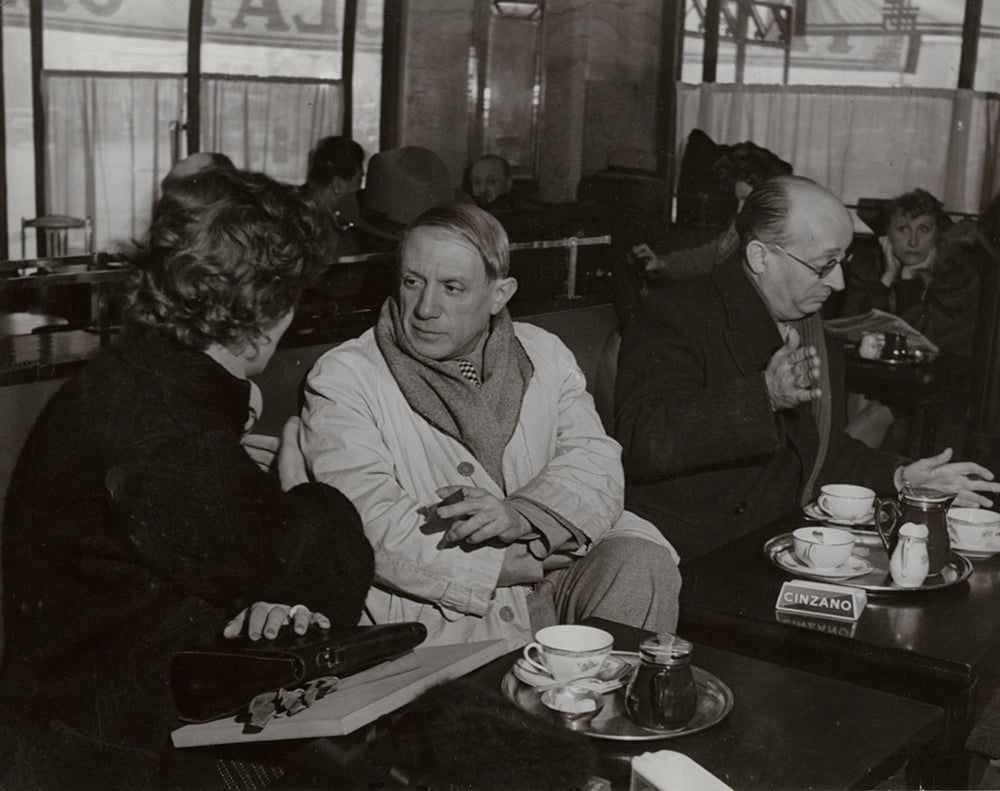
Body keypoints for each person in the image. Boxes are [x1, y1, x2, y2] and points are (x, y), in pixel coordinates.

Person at [0, 168, 374, 788]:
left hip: (59, 715)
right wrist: (304, 485)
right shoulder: (179, 443)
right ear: (270, 312)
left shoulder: (127, 377)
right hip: (111, 757)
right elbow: (309, 573)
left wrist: (224, 434)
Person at [301, 203, 681, 649]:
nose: (425, 307)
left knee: (640, 563)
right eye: (412, 282)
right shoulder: (346, 375)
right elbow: (364, 519)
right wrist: (506, 564)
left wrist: (523, 516)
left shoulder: (542, 352)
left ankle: (603, 709)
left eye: (453, 288)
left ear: (499, 295)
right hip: (449, 609)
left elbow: (595, 461)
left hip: (553, 572)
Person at [615, 175, 1000, 562]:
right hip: (693, 552)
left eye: (841, 261)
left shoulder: (813, 330)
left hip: (779, 541)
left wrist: (903, 477)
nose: (837, 282)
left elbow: (822, 450)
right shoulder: (676, 314)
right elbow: (644, 439)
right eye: (824, 265)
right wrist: (763, 395)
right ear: (760, 257)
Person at [842, 188, 980, 357]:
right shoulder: (868, 266)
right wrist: (885, 280)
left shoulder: (956, 274)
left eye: (924, 229)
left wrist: (908, 282)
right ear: (887, 234)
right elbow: (852, 335)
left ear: (937, 234)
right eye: (903, 229)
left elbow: (927, 343)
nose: (913, 242)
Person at [632, 141, 792, 281]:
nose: (739, 209)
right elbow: (708, 257)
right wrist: (661, 263)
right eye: (738, 200)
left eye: (746, 200)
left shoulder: (783, 235)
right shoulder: (739, 226)